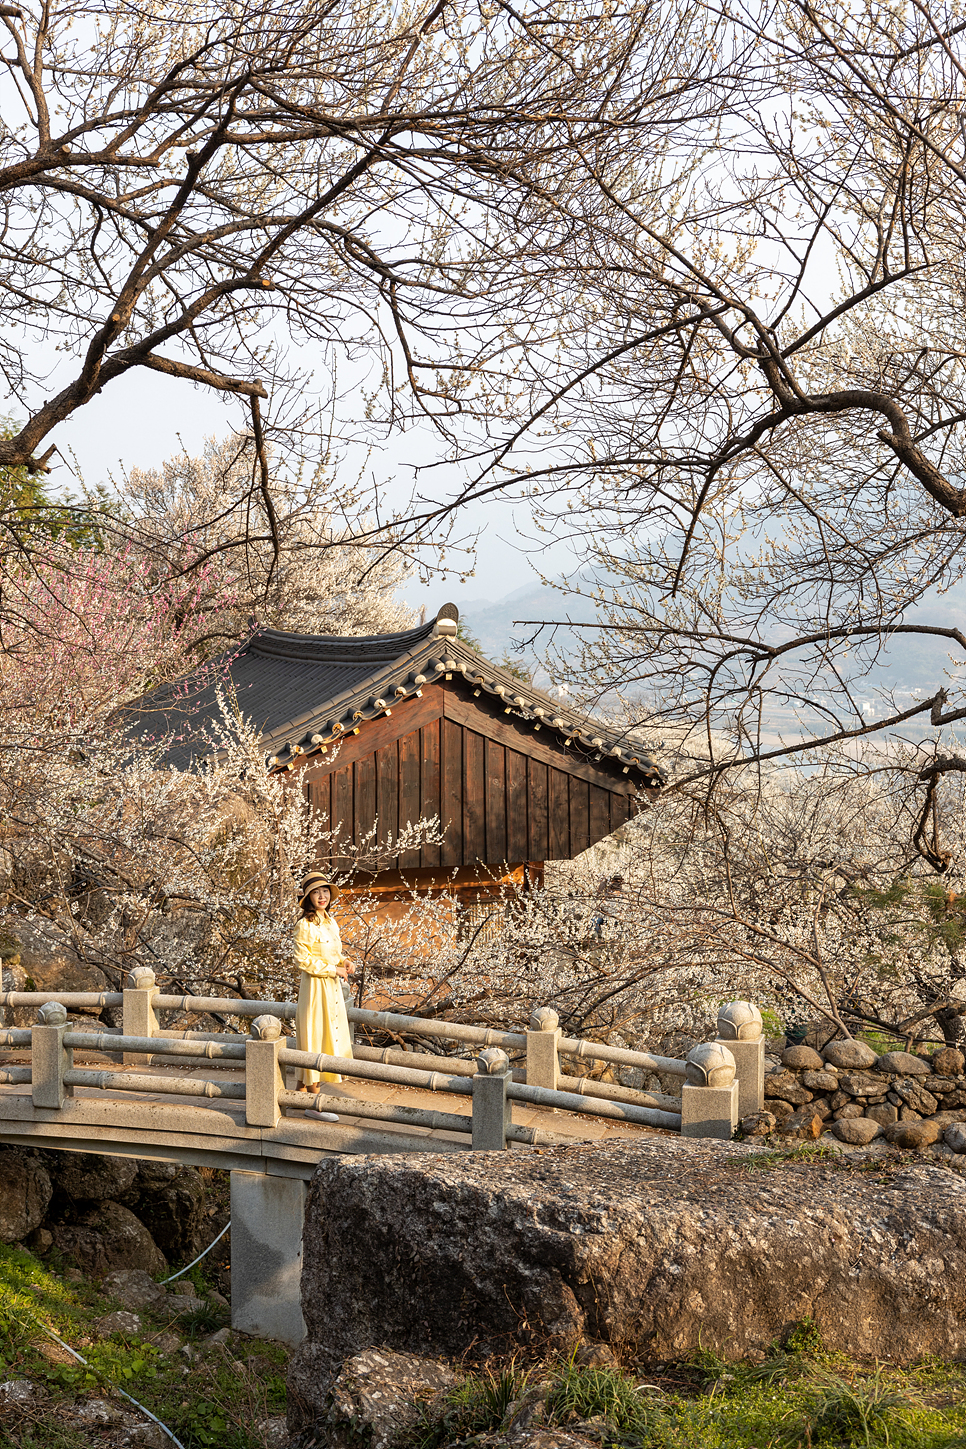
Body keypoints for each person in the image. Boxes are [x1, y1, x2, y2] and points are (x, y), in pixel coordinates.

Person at [293, 871, 353, 1122]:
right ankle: (315, 1105)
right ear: (308, 897)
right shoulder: (303, 925)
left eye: (325, 891)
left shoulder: (330, 922)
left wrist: (345, 961)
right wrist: (333, 970)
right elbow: (302, 960)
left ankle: (298, 1097)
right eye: (316, 892)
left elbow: (334, 952)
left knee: (330, 1036)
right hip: (315, 989)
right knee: (315, 1037)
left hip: (332, 989)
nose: (322, 896)